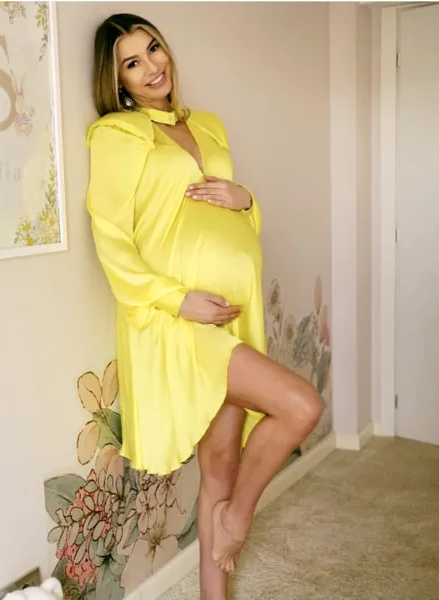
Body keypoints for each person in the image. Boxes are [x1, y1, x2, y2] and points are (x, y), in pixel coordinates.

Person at [86, 13, 322, 599]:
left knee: (220, 466)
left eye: (154, 48)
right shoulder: (117, 134)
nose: (152, 66)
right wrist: (177, 300)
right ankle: (237, 517)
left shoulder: (209, 125)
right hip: (179, 322)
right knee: (301, 406)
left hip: (232, 314)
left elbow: (231, 218)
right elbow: (110, 236)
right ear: (118, 81)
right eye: (132, 62)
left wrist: (248, 201)